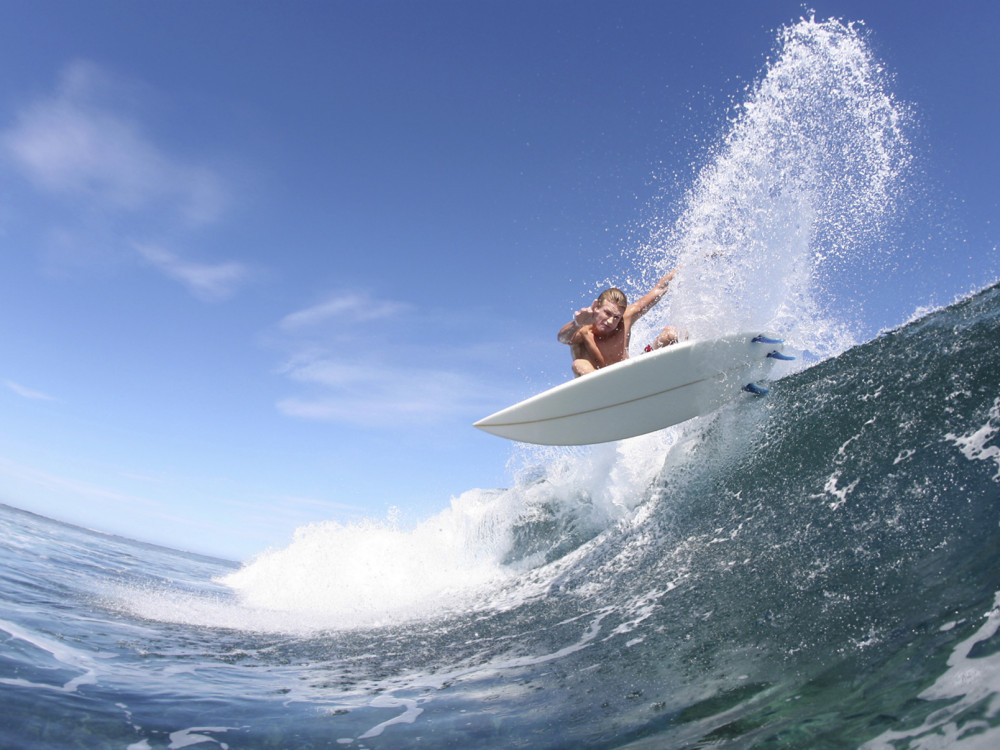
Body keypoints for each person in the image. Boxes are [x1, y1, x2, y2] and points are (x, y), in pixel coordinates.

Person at [557, 269, 680, 377]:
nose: (611, 321)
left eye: (616, 317)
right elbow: (562, 338)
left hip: (631, 375)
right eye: (607, 313)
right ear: (597, 308)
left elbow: (660, 289)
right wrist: (577, 323)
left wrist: (685, 265)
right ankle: (606, 392)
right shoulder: (583, 330)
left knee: (670, 335)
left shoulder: (626, 318)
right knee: (579, 364)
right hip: (599, 383)